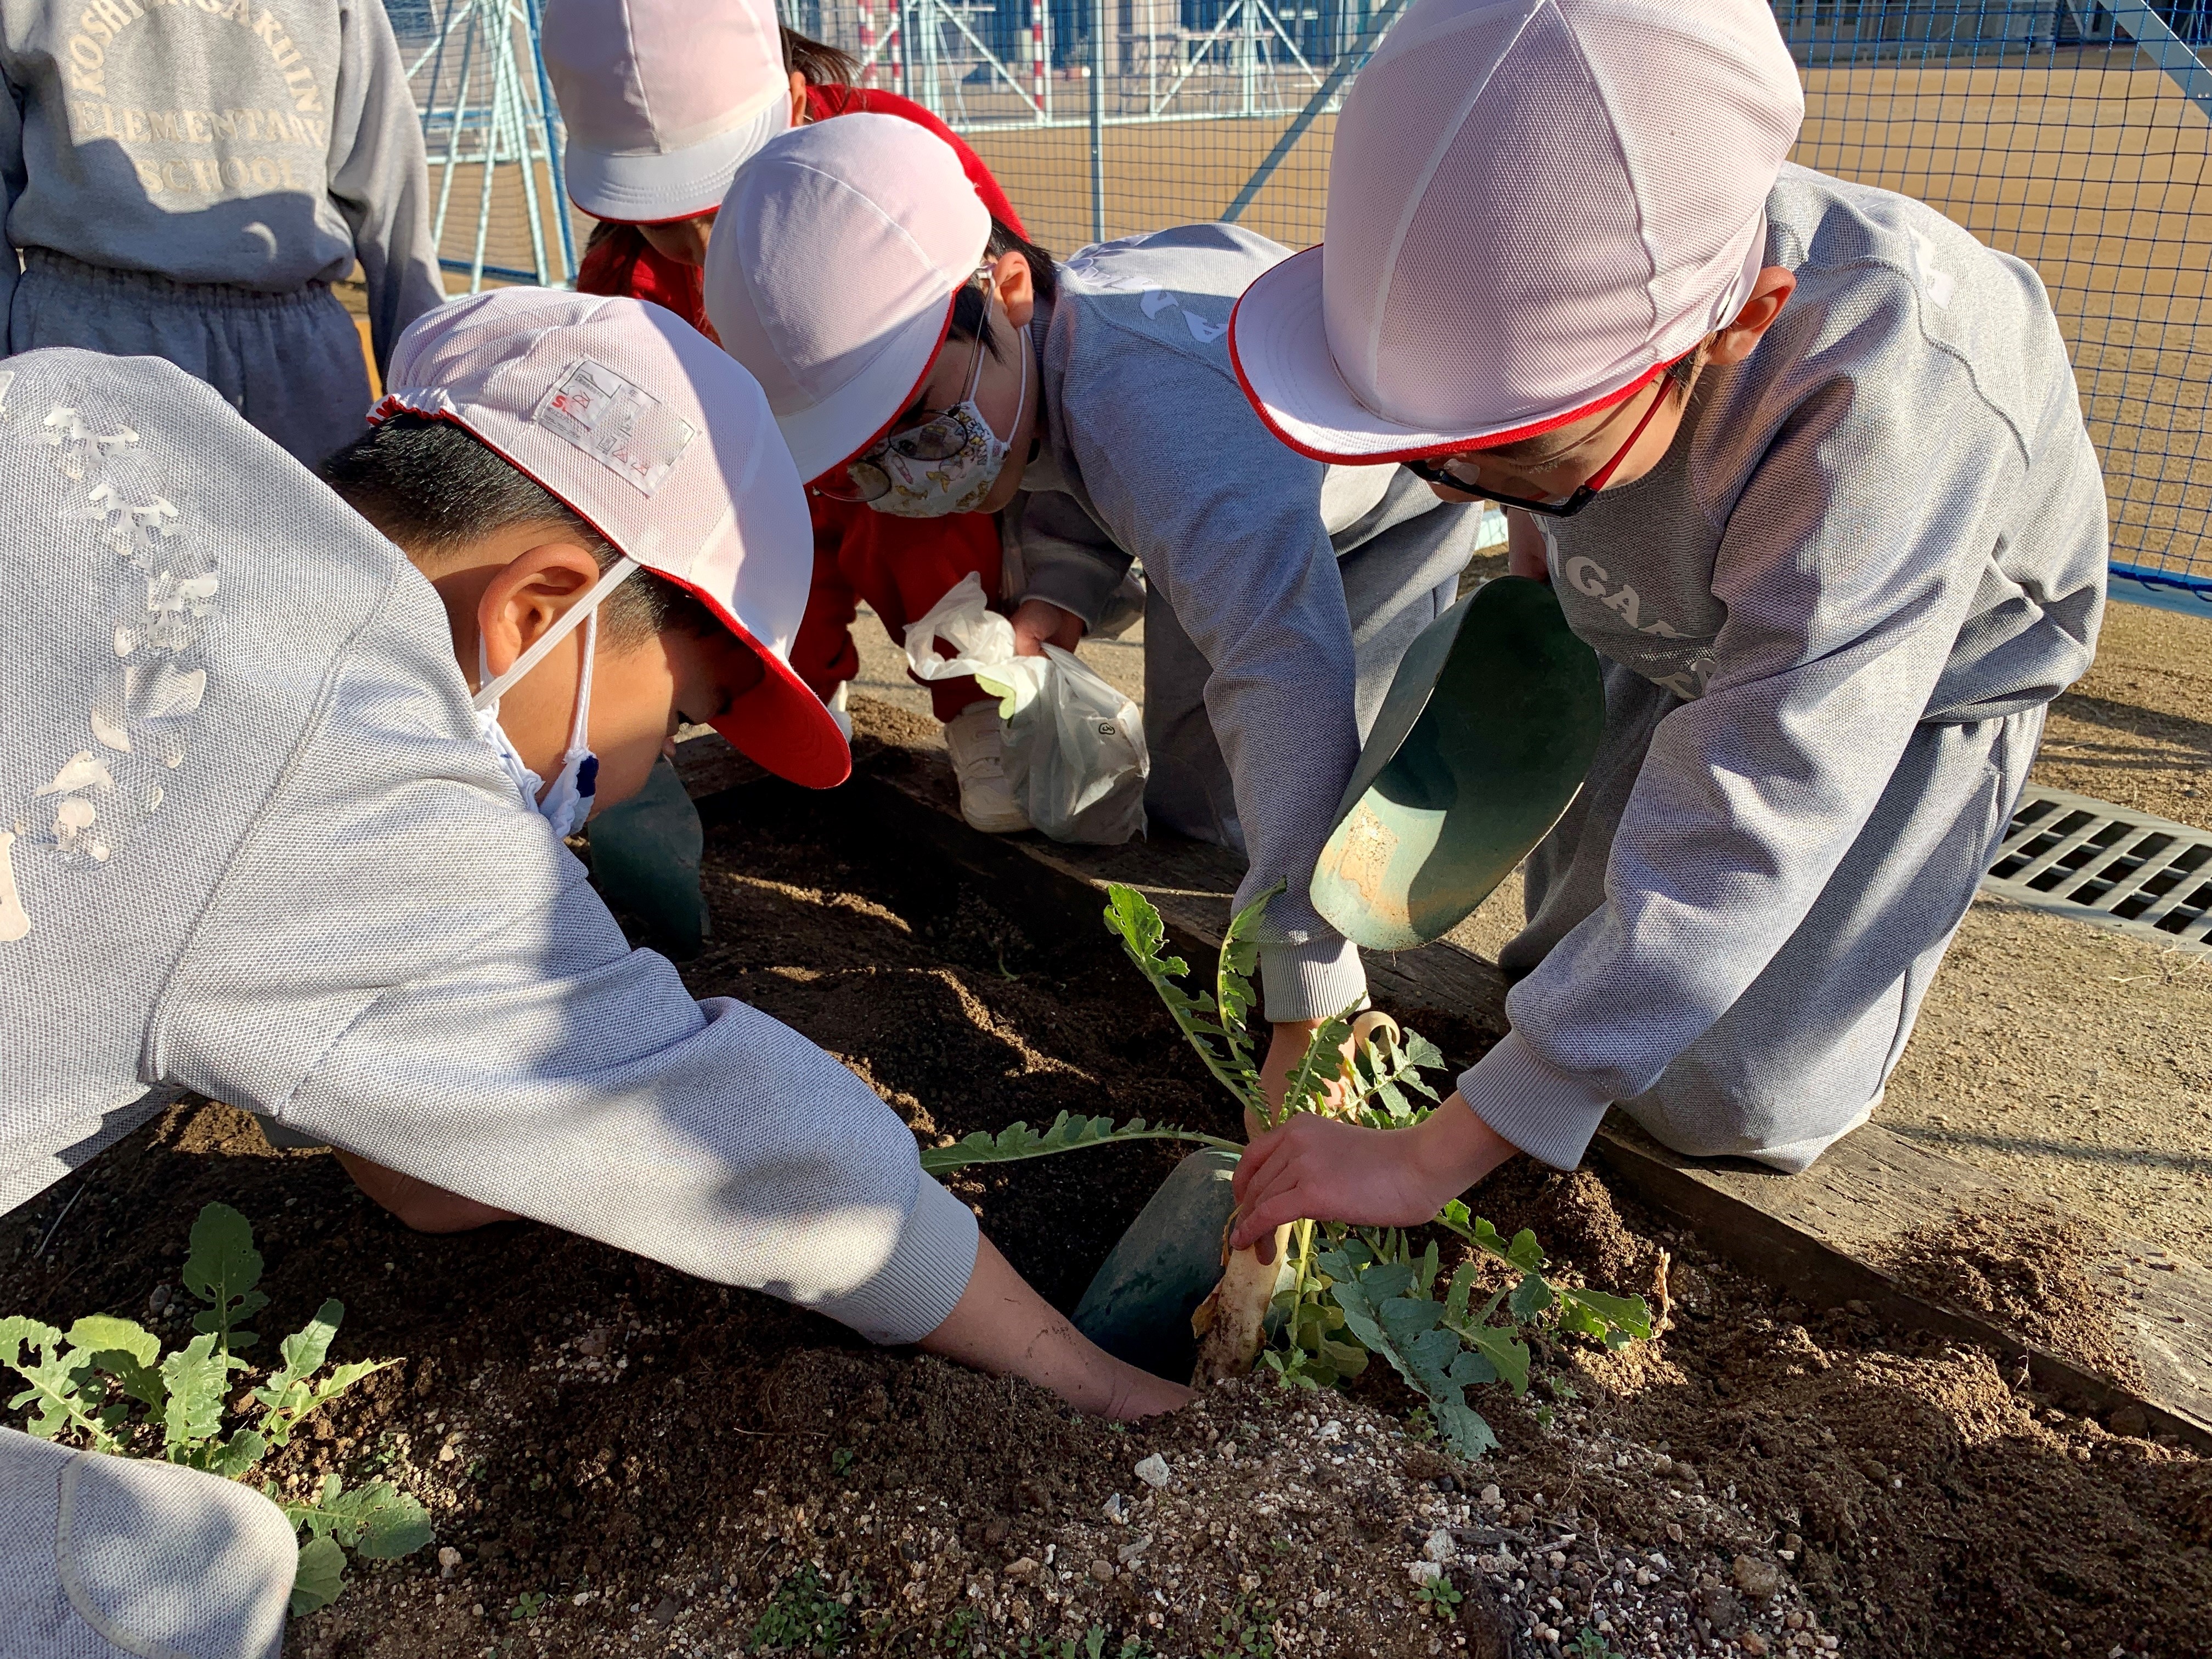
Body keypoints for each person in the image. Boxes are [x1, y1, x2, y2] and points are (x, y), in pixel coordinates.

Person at [0, 289, 1188, 1655]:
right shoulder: (353, 758)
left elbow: (421, 1175)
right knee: (172, 1588)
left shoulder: (104, 406)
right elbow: (748, 1136)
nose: (633, 782)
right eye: (675, 723)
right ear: (539, 611)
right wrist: (1085, 1380)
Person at [1223, 0, 2106, 1250]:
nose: (1452, 493)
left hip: (1909, 679)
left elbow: (1772, 785)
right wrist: (1542, 542)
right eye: (1433, 454)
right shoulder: (1534, 291)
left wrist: (1428, 1161)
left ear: (1740, 321)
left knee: (1726, 1101)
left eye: (1514, 452)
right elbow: (1534, 440)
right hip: (1658, 588)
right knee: (1559, 979)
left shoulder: (1886, 390)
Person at [702, 115, 1486, 1092]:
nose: (903, 472)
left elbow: (1283, 666)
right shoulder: (1054, 355)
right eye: (863, 461)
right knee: (1195, 791)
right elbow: (1074, 471)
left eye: (919, 421)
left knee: (1337, 800)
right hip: (1240, 503)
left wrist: (1308, 1005)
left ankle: (1344, 1010)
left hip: (1384, 511)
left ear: (1005, 289)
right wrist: (1058, 597)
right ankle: (1231, 944)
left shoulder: (1156, 413)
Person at [541, 0, 1029, 827]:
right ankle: (800, 698)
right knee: (750, 576)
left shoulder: (893, 153)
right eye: (668, 228)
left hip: (896, 475)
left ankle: (980, 706)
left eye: (718, 205)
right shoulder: (625, 281)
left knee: (929, 512)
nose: (706, 250)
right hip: (761, 492)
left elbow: (1003, 344)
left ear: (796, 101)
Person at [0, 0, 444, 465]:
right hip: (87, 338)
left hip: (297, 356)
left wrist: (430, 403)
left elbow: (390, 189)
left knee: (310, 515)